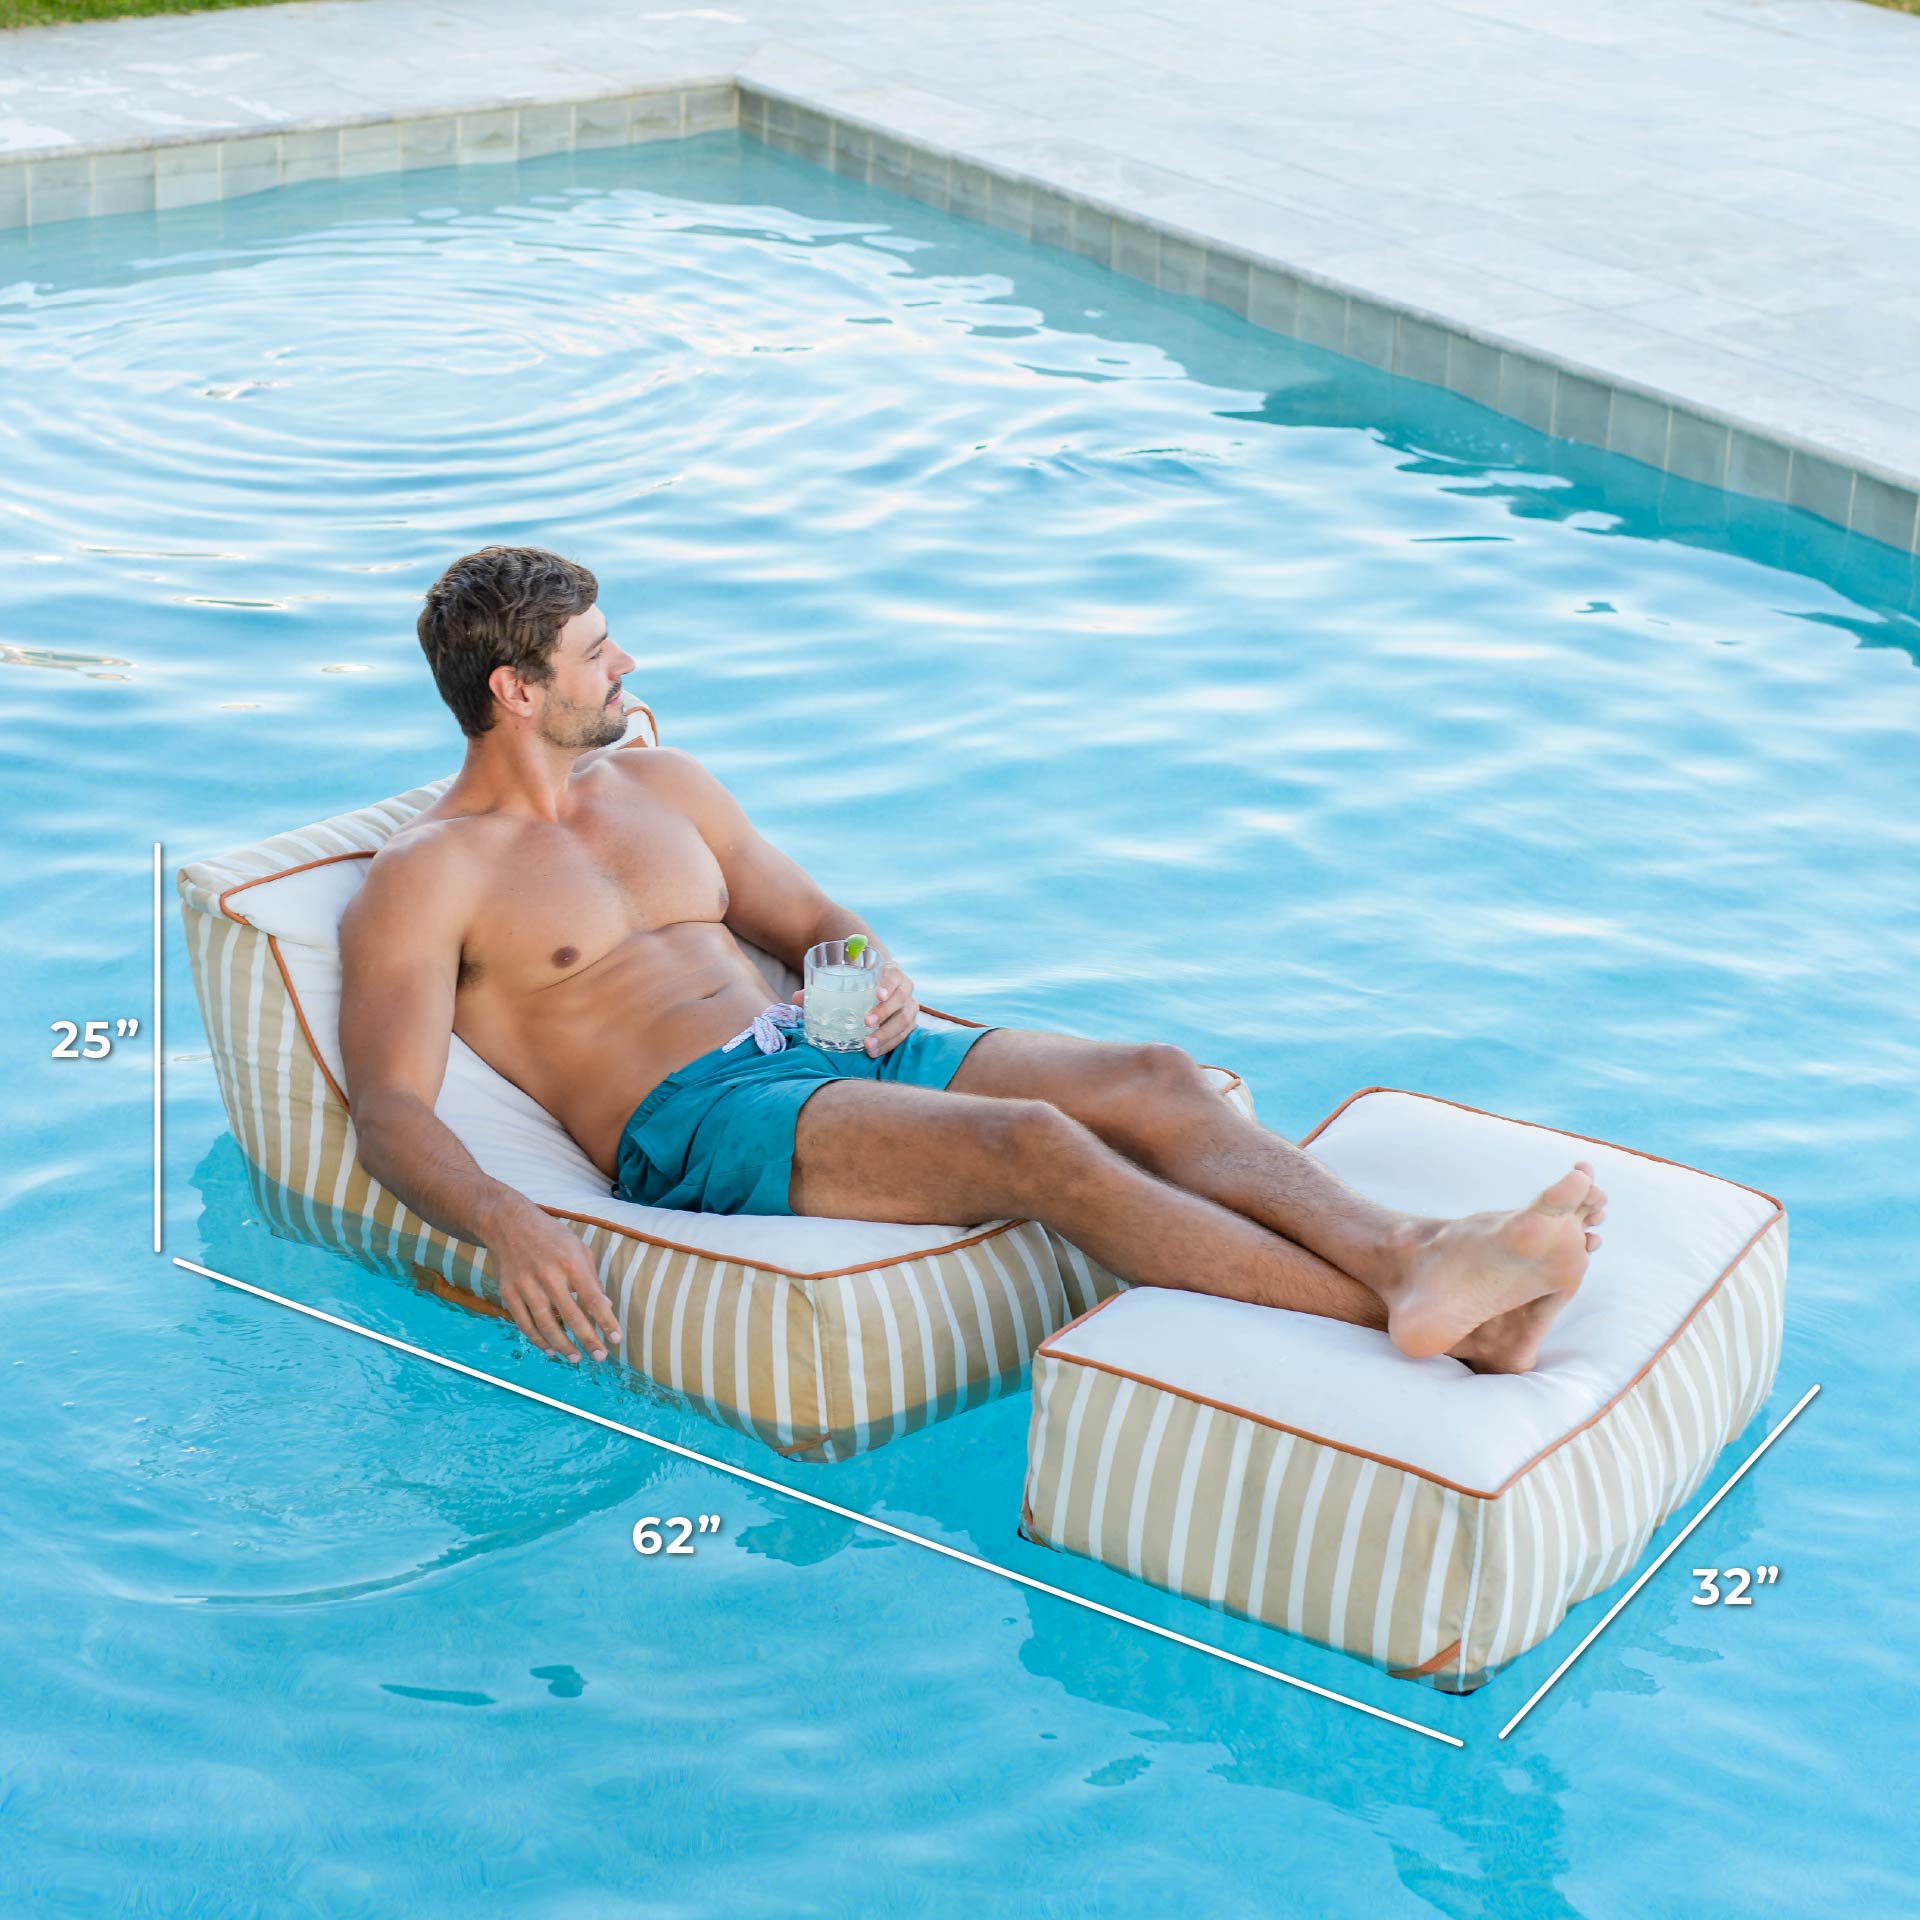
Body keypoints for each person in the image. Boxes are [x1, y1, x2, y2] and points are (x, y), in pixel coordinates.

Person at [339, 546, 1606, 1373]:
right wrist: (506, 1221)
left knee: (1161, 1077)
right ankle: (1436, 1311)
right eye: (598, 653)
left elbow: (818, 923)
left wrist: (867, 972)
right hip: (701, 1120)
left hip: (828, 1049)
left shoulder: (664, 781)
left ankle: (1414, 1257)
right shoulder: (431, 875)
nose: (629, 666)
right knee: (1036, 1144)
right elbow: (390, 1111)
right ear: (514, 691)